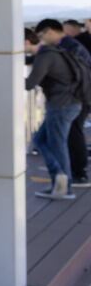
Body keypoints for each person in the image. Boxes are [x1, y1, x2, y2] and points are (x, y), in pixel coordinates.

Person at [25, 18, 83, 199]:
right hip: (70, 103)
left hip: (61, 105)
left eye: (41, 34)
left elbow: (30, 83)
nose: (40, 38)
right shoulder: (59, 51)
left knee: (57, 145)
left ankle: (63, 187)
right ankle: (60, 180)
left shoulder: (47, 54)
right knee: (41, 140)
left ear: (49, 31)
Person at [54, 20, 91, 188]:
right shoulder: (78, 44)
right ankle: (75, 171)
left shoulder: (73, 46)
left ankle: (79, 173)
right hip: (83, 94)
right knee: (74, 131)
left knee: (73, 132)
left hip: (79, 96)